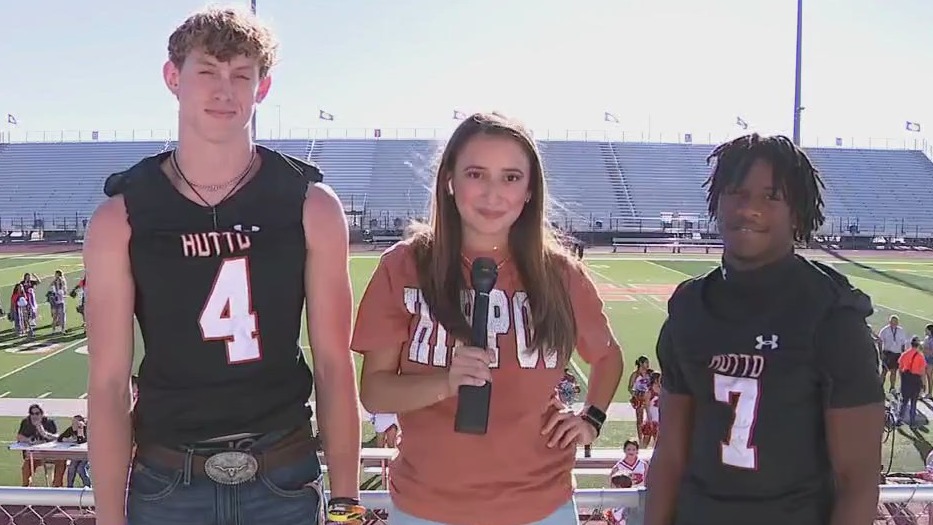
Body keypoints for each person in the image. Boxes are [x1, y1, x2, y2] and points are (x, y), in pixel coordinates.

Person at [83, 7, 362, 525]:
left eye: (242, 74)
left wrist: (345, 504)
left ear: (264, 87)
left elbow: (333, 364)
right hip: (168, 480)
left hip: (283, 475)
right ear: (173, 77)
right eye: (207, 70)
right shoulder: (121, 217)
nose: (224, 89)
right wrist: (107, 516)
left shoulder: (311, 205)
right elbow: (107, 382)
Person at [352, 112, 625, 525]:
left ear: (531, 189)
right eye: (476, 174)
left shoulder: (560, 275)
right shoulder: (404, 267)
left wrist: (592, 418)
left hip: (541, 507)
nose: (493, 194)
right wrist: (445, 382)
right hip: (428, 507)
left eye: (511, 177)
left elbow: (607, 357)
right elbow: (374, 392)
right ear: (449, 180)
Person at [645, 133, 884, 525]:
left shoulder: (832, 316)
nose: (749, 209)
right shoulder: (689, 308)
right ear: (716, 201)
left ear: (797, 213)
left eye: (771, 197)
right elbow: (670, 454)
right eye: (736, 192)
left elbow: (857, 480)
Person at [16, 404, 66, 487]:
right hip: (34, 454)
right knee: (26, 467)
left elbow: (57, 437)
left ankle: (57, 486)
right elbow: (19, 436)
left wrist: (44, 433)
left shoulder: (49, 422)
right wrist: (29, 440)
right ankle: (26, 487)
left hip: (50, 453)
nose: (34, 416)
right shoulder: (26, 422)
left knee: (61, 461)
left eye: (37, 413)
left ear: (42, 414)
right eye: (32, 413)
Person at [897, 337, 925, 428]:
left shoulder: (904, 354)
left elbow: (900, 368)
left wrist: (902, 379)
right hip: (915, 380)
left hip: (906, 379)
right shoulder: (920, 356)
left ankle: (899, 419)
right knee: (913, 402)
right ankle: (912, 422)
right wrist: (923, 384)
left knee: (904, 401)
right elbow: (922, 372)